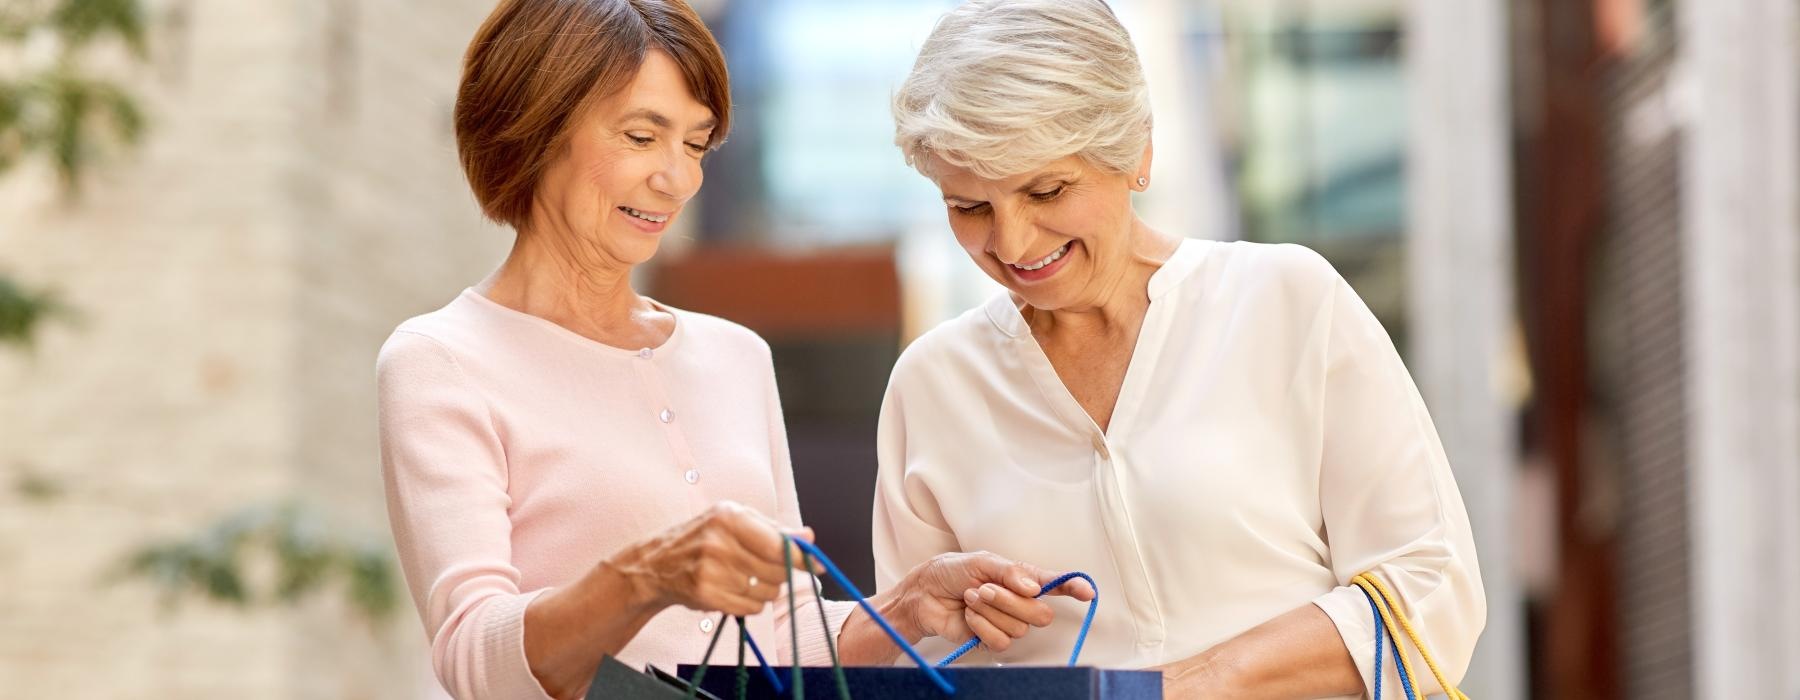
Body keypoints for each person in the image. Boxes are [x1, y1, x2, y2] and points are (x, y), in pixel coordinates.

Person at [377, 2, 1089, 698]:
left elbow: (782, 646)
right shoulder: (442, 361)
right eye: (641, 136)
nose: (679, 178)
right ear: (533, 125)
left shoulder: (736, 356)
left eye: (695, 144)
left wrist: (905, 608)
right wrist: (646, 578)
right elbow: (473, 661)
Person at [877, 1, 1486, 697]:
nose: (1012, 244)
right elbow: (911, 668)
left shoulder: (1287, 301)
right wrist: (953, 629)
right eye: (970, 207)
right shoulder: (931, 384)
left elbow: (1429, 596)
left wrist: (1183, 684)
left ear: (1136, 150)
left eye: (1045, 189)